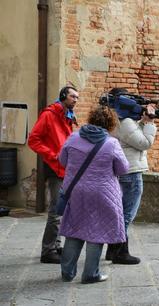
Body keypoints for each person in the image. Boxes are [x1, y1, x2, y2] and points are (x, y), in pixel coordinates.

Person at [59, 105, 129, 283]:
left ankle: (67, 273)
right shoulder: (111, 143)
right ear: (111, 123)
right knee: (97, 230)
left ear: (91, 119)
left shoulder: (74, 137)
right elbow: (123, 168)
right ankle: (90, 274)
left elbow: (62, 160)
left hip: (76, 191)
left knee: (74, 229)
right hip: (102, 193)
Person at [105, 88, 158, 265]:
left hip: (122, 170)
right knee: (127, 213)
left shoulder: (114, 119)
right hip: (131, 172)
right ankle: (120, 251)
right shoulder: (125, 121)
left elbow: (133, 138)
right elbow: (144, 143)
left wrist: (142, 123)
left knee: (121, 211)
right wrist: (150, 123)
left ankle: (113, 250)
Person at [28, 86, 79, 263]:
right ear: (63, 96)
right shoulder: (49, 114)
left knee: (62, 209)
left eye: (77, 97)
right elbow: (33, 140)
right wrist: (52, 155)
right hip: (55, 167)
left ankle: (56, 245)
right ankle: (47, 251)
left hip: (66, 168)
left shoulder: (67, 116)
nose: (76, 100)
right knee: (56, 211)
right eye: (73, 96)